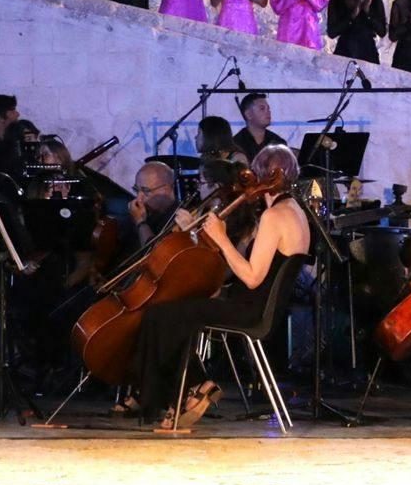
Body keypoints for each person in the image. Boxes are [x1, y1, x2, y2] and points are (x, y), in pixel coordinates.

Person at [131, 145, 310, 431]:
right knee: (173, 313)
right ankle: (189, 391)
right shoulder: (294, 210)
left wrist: (221, 238)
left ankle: (190, 390)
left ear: (264, 174)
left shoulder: (273, 217)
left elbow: (252, 278)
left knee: (160, 315)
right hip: (257, 307)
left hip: (250, 311)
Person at [232, 92, 287, 163]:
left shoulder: (278, 142)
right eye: (262, 109)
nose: (268, 112)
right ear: (248, 114)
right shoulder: (236, 144)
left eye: (268, 108)